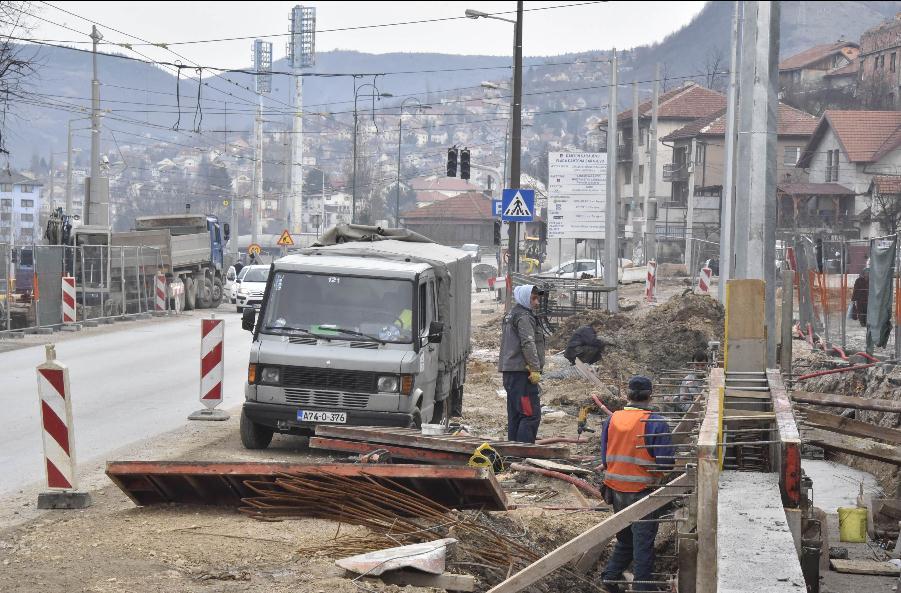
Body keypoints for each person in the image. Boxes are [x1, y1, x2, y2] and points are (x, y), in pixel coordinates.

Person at [600, 376, 675, 593]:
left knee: (625, 539)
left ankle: (610, 579)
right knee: (643, 545)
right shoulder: (655, 422)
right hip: (642, 492)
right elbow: (666, 463)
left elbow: (605, 459)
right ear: (651, 395)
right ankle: (643, 588)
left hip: (615, 491)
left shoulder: (612, 419)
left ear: (627, 394)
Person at [499, 284, 546, 443]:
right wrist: (535, 368)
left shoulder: (512, 314)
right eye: (533, 298)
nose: (537, 302)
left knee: (516, 415)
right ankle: (523, 455)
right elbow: (528, 343)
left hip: (511, 373)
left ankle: (513, 454)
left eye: (537, 298)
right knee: (530, 415)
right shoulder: (524, 317)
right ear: (525, 298)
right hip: (522, 376)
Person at [667, 351, 707, 420]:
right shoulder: (687, 380)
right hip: (694, 416)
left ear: (707, 364)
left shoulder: (713, 377)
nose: (700, 368)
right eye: (697, 365)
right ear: (692, 364)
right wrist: (695, 404)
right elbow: (683, 403)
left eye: (703, 365)